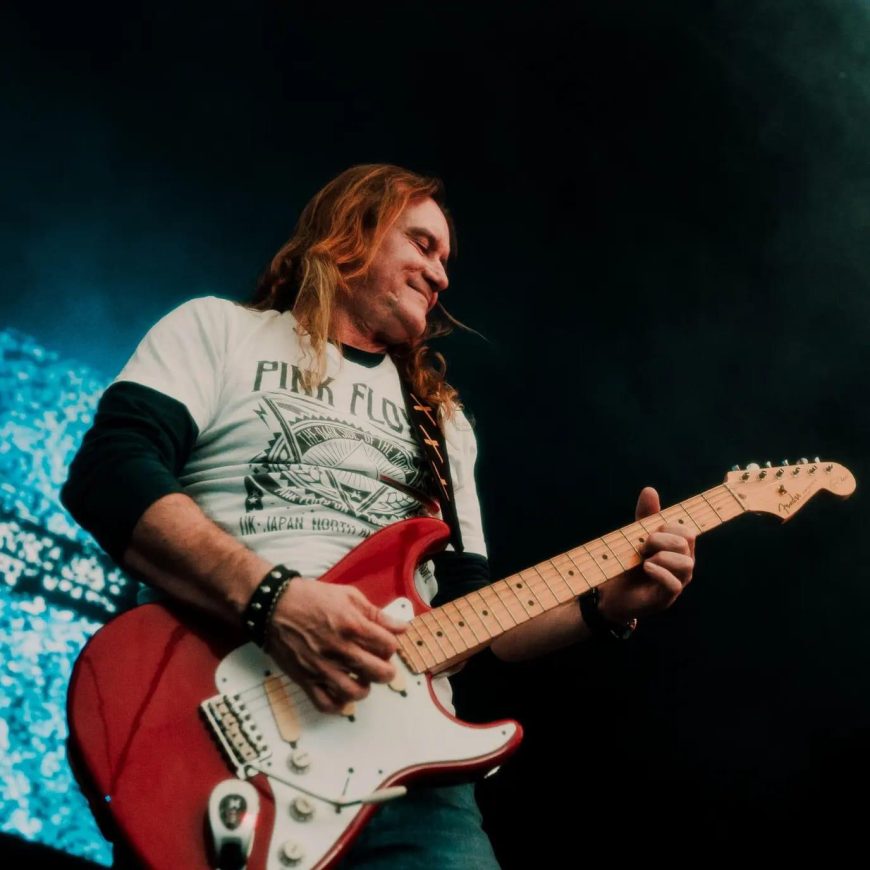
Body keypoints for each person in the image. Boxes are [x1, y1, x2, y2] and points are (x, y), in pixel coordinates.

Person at [62, 163, 695, 868]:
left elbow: (469, 618)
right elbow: (109, 475)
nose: (442, 274)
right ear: (351, 232)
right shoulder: (218, 331)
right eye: (423, 245)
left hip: (406, 782)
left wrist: (603, 607)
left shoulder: (443, 423)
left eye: (446, 259)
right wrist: (275, 600)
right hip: (219, 725)